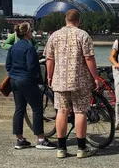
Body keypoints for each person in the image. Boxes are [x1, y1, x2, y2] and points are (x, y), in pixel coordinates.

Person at [43, 9, 101, 159]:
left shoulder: (54, 36)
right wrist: (95, 77)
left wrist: (49, 77)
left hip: (60, 80)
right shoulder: (83, 35)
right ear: (78, 21)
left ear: (65, 20)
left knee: (62, 111)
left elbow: (50, 59)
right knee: (80, 111)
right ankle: (81, 148)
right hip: (79, 80)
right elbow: (89, 58)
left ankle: (61, 148)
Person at [5, 22, 56, 150]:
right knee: (37, 108)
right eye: (31, 31)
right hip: (27, 80)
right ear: (27, 33)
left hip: (14, 80)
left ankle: (20, 139)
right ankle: (40, 139)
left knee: (19, 109)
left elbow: (8, 65)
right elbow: (33, 67)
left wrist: (14, 74)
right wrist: (39, 80)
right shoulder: (29, 48)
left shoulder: (13, 47)